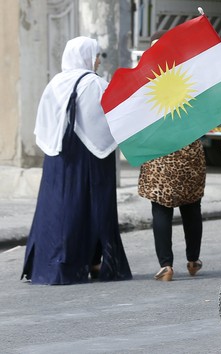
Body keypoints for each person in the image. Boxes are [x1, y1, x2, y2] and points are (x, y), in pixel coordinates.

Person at [21, 36, 132, 285]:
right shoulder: (94, 84)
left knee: (58, 206)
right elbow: (108, 117)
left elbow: (44, 122)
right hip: (89, 157)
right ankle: (93, 262)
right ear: (85, 56)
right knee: (93, 206)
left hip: (57, 156)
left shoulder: (55, 83)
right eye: (96, 56)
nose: (98, 61)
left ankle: (53, 262)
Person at [137, 30, 206, 282]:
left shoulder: (144, 79)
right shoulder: (189, 75)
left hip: (159, 151)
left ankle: (166, 265)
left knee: (161, 208)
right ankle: (193, 260)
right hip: (189, 150)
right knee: (191, 206)